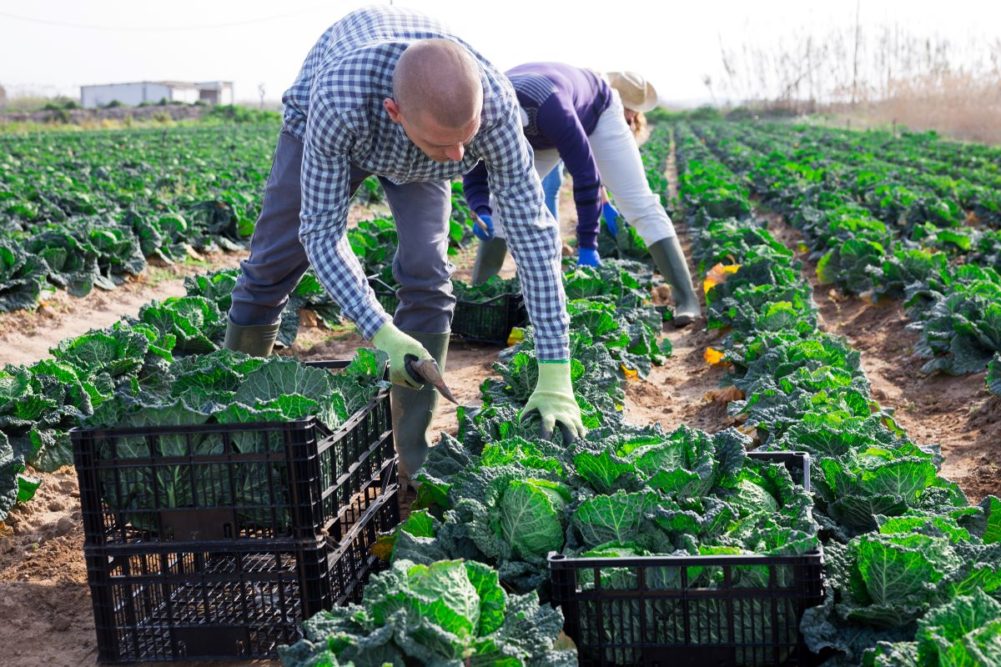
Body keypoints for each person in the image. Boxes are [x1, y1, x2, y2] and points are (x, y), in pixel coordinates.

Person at [223, 7, 585, 487]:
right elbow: (322, 233)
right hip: (331, 127)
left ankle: (413, 452)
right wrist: (382, 333)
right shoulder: (339, 101)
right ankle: (234, 426)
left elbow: (533, 234)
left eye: (466, 139)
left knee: (427, 276)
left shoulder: (493, 107)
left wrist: (556, 367)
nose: (460, 157)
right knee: (269, 269)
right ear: (397, 113)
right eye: (444, 143)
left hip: (424, 142)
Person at [463, 64, 701, 326]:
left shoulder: (554, 110)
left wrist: (588, 244)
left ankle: (686, 299)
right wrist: (480, 205)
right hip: (538, 128)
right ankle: (479, 300)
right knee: (500, 206)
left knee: (637, 203)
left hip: (595, 113)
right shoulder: (485, 109)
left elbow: (586, 176)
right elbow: (478, 162)